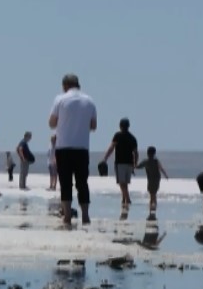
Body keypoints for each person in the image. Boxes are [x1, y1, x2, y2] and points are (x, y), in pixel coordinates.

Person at [48, 73, 97, 225]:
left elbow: (51, 123)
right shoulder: (89, 101)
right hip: (82, 147)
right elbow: (93, 126)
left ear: (65, 86)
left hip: (64, 147)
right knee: (82, 182)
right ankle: (86, 215)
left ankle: (67, 215)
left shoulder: (60, 99)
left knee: (65, 182)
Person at [104, 117, 140, 211]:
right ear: (128, 126)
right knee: (125, 183)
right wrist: (135, 163)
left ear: (120, 126)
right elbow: (136, 153)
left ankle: (127, 199)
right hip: (129, 163)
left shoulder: (117, 135)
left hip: (120, 163)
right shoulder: (132, 138)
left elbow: (111, 147)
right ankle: (123, 199)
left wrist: (105, 158)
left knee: (121, 182)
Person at [141, 145, 170, 217]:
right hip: (156, 179)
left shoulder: (146, 161)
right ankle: (153, 207)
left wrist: (133, 163)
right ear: (154, 153)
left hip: (151, 179)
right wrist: (165, 175)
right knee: (153, 193)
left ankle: (152, 207)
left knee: (152, 194)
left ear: (147, 153)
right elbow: (161, 168)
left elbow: (138, 166)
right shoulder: (156, 161)